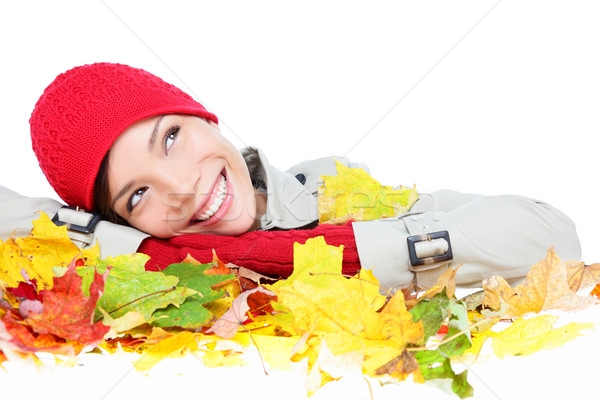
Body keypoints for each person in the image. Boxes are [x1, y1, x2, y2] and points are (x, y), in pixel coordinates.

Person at [0, 63, 582, 291]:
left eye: (171, 137)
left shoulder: (332, 190)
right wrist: (141, 250)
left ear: (204, 115)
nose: (182, 186)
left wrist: (307, 253)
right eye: (139, 193)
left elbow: (551, 234)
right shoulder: (142, 268)